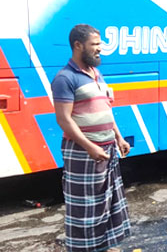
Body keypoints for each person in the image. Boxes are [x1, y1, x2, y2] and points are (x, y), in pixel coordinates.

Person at [51, 24, 131, 252]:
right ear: (78, 45)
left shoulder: (96, 73)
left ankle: (103, 245)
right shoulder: (65, 78)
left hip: (107, 147)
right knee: (85, 205)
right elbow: (64, 120)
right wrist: (89, 147)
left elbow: (106, 109)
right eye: (95, 45)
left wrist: (119, 137)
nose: (100, 49)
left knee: (107, 201)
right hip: (83, 151)